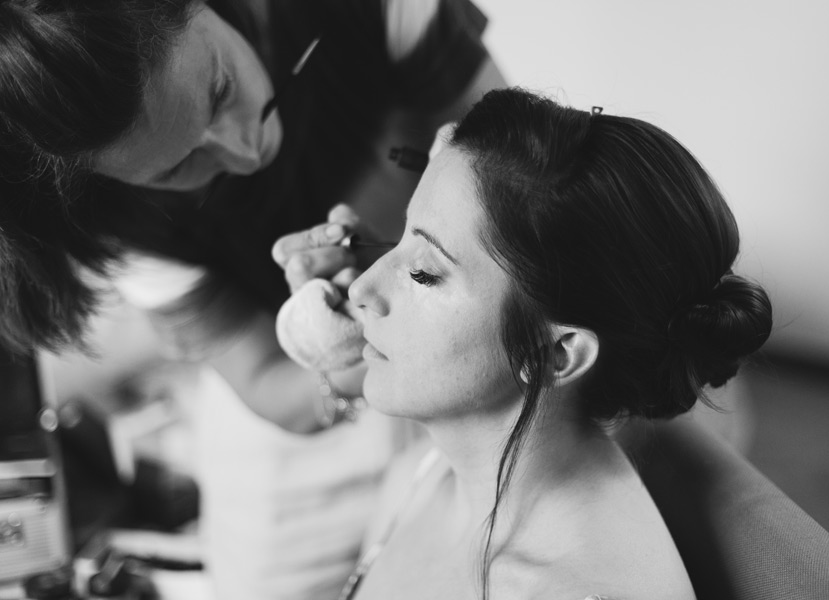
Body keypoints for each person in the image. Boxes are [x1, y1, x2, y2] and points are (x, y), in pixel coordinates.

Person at [1, 0, 504, 598]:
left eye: (218, 89)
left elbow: (511, 181)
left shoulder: (376, 10)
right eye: (179, 166)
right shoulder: (112, 217)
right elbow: (267, 375)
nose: (246, 151)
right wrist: (340, 358)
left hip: (484, 345)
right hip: (299, 406)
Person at [305, 87, 771, 599]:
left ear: (555, 353)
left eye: (422, 272)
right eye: (399, 238)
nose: (361, 288)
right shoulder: (420, 475)